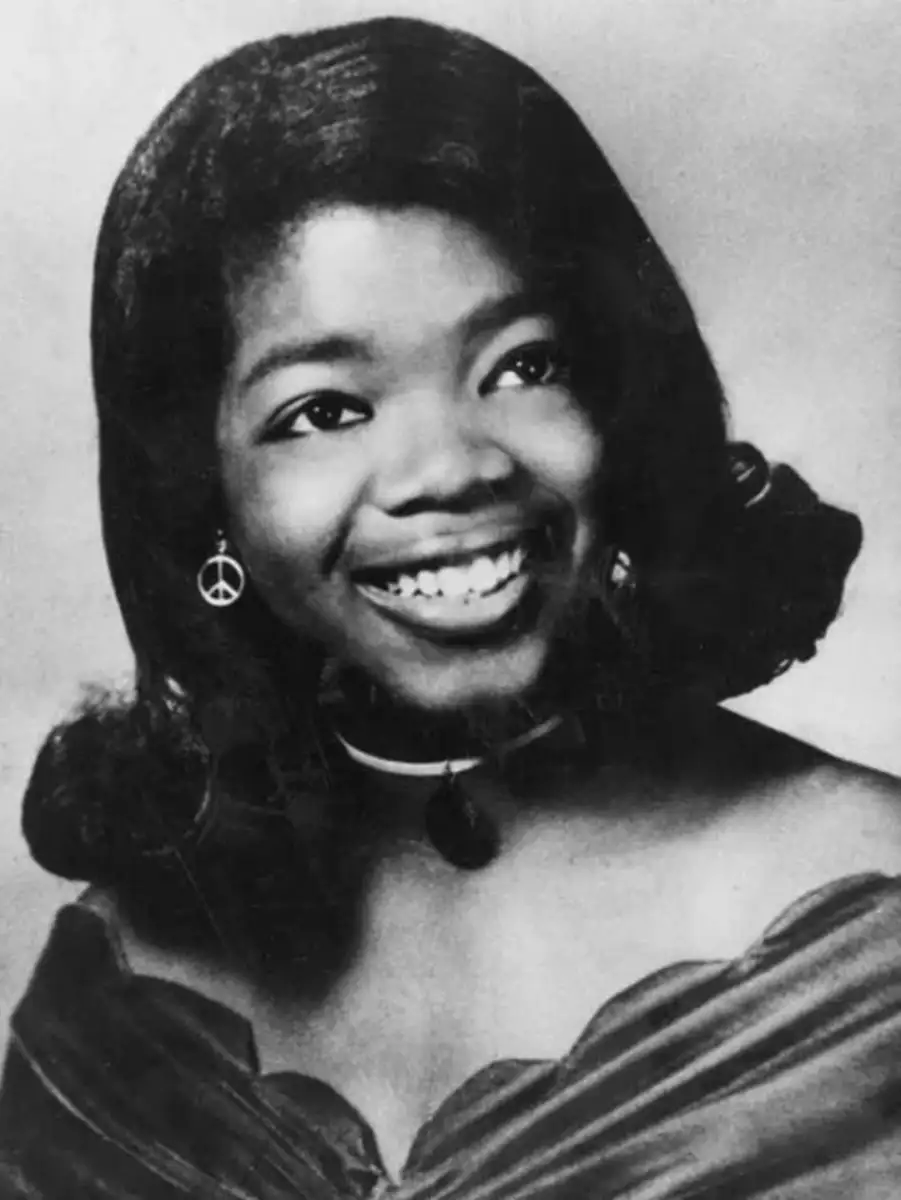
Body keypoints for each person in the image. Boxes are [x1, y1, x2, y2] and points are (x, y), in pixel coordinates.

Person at [2, 14, 899, 1197]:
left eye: (523, 364)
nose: (451, 467)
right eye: (324, 409)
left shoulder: (868, 943)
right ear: (200, 501)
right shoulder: (111, 995)